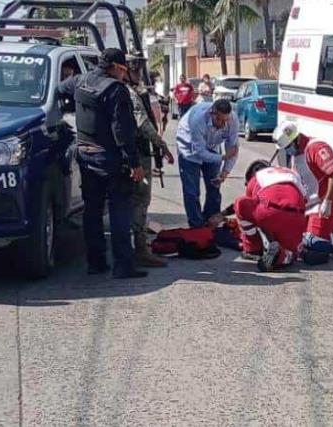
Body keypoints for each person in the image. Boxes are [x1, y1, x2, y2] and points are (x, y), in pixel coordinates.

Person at [56, 47, 146, 279]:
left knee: (92, 211)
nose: (124, 75)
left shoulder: (80, 80)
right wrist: (134, 163)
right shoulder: (116, 90)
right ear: (116, 67)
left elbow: (59, 90)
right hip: (111, 159)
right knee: (119, 212)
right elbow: (122, 130)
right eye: (123, 70)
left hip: (86, 154)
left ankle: (96, 263)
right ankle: (123, 266)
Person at [274, 122, 333, 264]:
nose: (287, 151)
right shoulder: (296, 155)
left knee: (311, 241)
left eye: (287, 147)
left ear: (296, 139)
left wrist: (328, 201)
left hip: (329, 201)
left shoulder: (316, 148)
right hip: (311, 205)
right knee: (295, 238)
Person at [125, 50, 175, 268]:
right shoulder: (129, 92)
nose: (138, 73)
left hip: (131, 152)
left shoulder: (132, 90)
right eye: (135, 68)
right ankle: (139, 249)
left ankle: (134, 245)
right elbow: (142, 122)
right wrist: (161, 144)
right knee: (140, 200)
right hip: (137, 153)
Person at [232, 164, 315, 271]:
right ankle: (283, 254)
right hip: (296, 215)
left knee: (240, 203)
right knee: (292, 253)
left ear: (251, 175)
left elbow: (248, 204)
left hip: (269, 212)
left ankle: (252, 248)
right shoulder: (292, 174)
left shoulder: (256, 178)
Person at [176, 97, 239, 228]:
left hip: (212, 146)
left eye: (225, 120)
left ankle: (211, 221)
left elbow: (233, 148)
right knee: (192, 192)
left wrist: (225, 171)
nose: (223, 124)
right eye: (219, 120)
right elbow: (200, 152)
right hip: (189, 147)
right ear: (212, 114)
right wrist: (222, 157)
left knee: (214, 188)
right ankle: (196, 226)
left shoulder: (232, 119)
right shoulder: (197, 120)